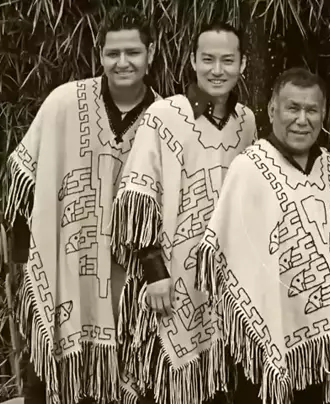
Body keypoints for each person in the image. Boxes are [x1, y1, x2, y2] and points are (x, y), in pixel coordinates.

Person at [5, 6, 158, 404]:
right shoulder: (63, 103)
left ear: (151, 54)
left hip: (129, 278)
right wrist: (25, 261)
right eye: (113, 53)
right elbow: (25, 177)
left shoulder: (165, 119)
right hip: (65, 265)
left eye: (133, 52)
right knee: (52, 374)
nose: (122, 62)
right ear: (100, 54)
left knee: (126, 374)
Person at [110, 21, 257, 404]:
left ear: (243, 64)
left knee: (214, 381)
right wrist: (154, 271)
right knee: (161, 383)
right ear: (192, 61)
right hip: (169, 275)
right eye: (207, 59)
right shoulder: (164, 115)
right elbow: (137, 196)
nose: (217, 70)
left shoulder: (246, 122)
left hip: (222, 277)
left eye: (228, 60)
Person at [195, 67, 330, 404]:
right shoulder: (249, 168)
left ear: (324, 113)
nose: (302, 120)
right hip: (263, 330)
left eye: (312, 110)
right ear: (272, 110)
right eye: (292, 108)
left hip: (322, 344)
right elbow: (223, 253)